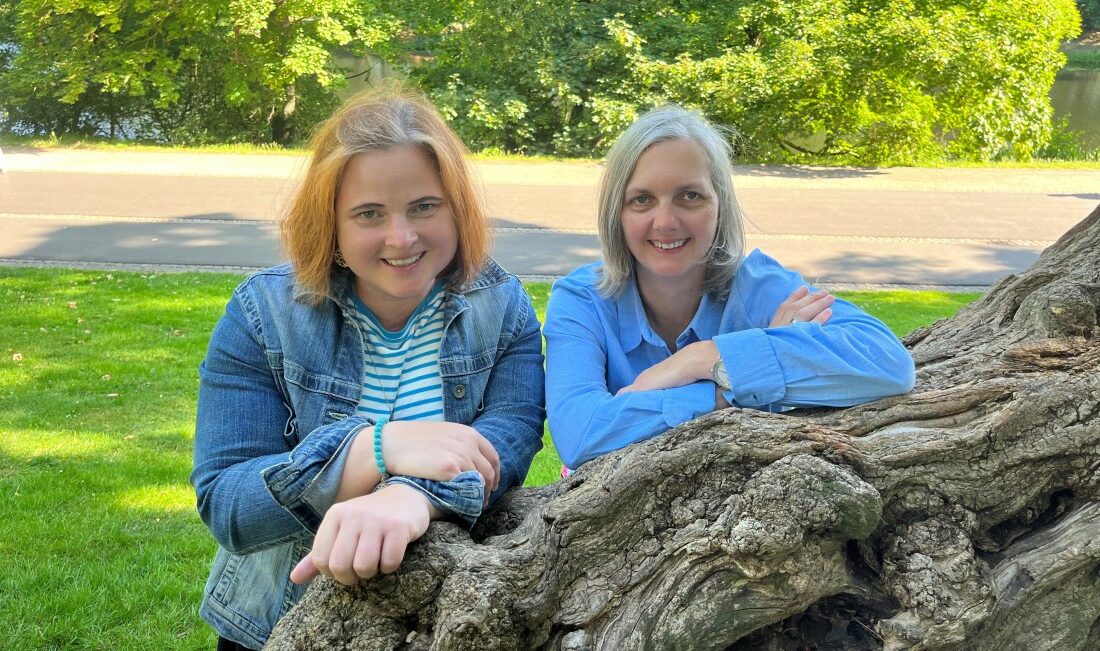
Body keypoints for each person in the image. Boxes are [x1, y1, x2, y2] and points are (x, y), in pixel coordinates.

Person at [191, 85, 546, 651]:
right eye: (369, 214)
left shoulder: (502, 309)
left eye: (425, 207)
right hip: (278, 624)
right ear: (330, 223)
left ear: (457, 208)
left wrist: (406, 496)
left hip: (443, 625)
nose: (401, 238)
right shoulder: (263, 314)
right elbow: (229, 508)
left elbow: (503, 449)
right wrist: (374, 448)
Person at [543, 105, 915, 471]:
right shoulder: (582, 300)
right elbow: (580, 435)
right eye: (642, 200)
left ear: (720, 204)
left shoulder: (759, 286)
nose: (666, 222)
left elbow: (888, 364)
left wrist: (701, 359)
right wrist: (733, 389)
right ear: (616, 213)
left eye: (690, 196)